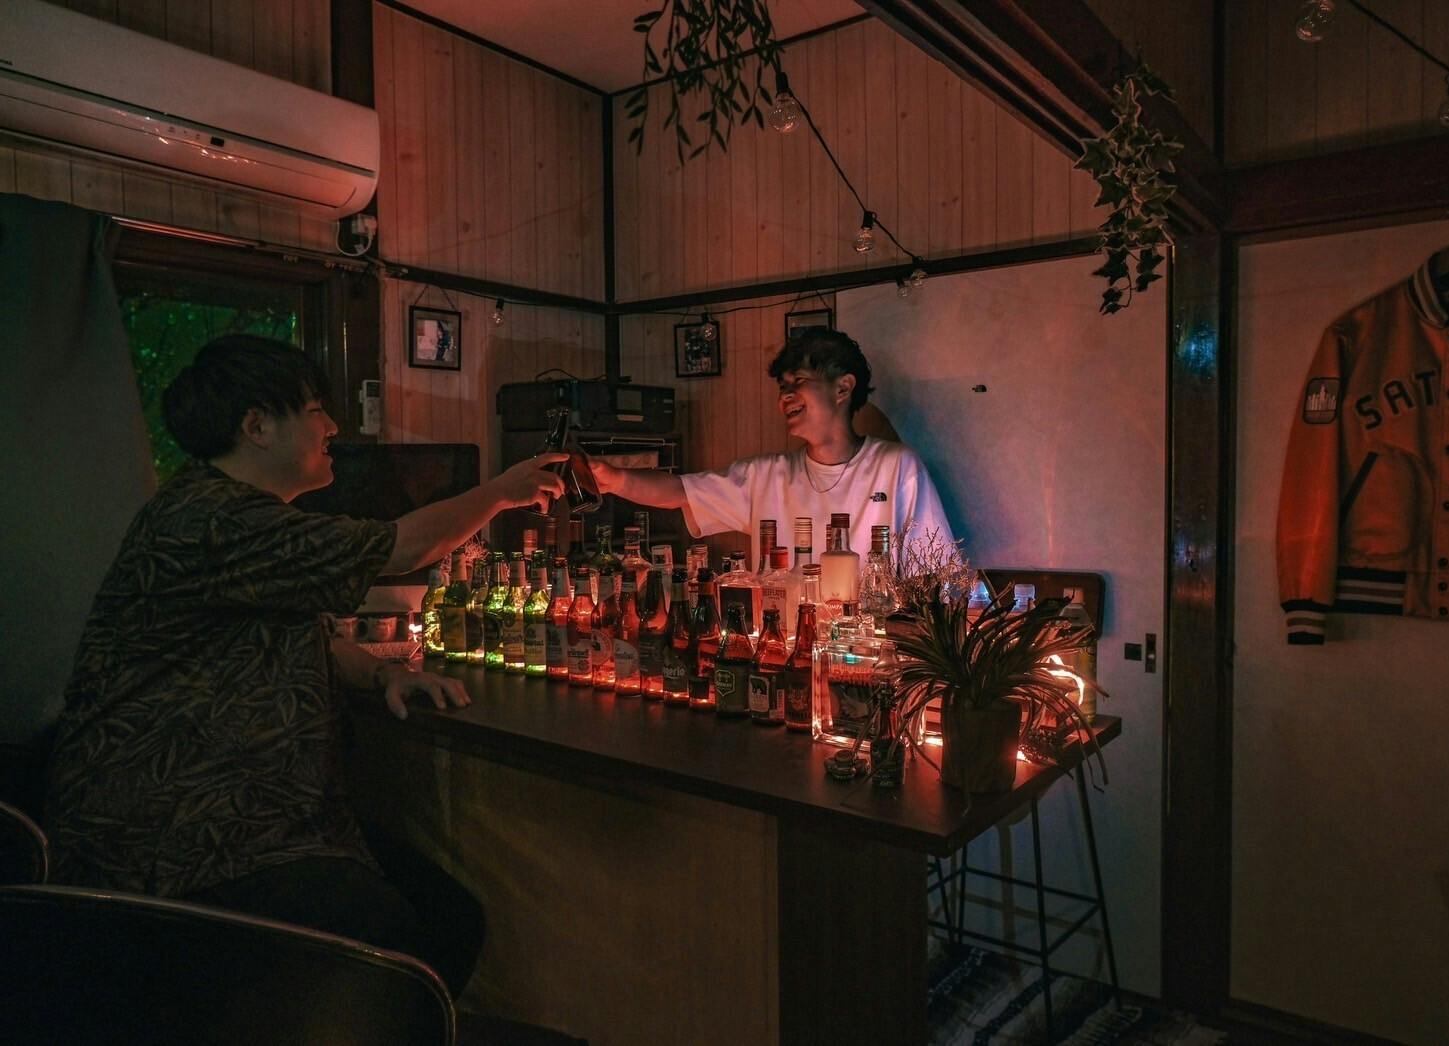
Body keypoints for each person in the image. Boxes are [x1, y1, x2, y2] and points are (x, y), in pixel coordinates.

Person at [44, 334, 564, 995]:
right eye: (316, 409)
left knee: (446, 919)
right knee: (407, 939)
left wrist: (385, 672)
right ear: (257, 426)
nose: (334, 428)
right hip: (176, 840)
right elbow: (404, 548)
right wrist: (500, 492)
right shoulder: (215, 518)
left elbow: (306, 634)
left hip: (256, 823)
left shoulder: (231, 513)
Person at [591, 328, 954, 563]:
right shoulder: (766, 475)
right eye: (782, 387)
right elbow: (680, 492)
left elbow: (935, 572)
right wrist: (615, 479)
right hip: (783, 647)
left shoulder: (896, 466)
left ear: (843, 388)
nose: (785, 396)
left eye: (799, 382)